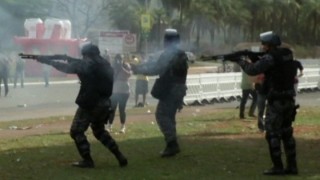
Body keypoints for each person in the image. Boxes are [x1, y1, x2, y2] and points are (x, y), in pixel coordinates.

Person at [35, 44, 128, 168]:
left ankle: (87, 160)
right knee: (99, 131)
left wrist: (49, 62)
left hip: (90, 102)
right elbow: (83, 66)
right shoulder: (104, 63)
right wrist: (68, 58)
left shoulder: (87, 63)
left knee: (76, 131)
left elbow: (67, 68)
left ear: (86, 54)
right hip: (105, 102)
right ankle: (119, 155)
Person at [236, 31, 298, 175]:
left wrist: (241, 61)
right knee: (287, 133)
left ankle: (278, 167)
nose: (262, 46)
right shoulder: (286, 54)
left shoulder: (270, 57)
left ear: (270, 45)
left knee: (272, 134)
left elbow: (252, 70)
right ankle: (292, 166)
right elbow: (274, 64)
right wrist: (255, 57)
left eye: (264, 44)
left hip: (276, 101)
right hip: (289, 99)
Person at [131, 29, 188, 157]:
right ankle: (172, 144)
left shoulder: (170, 54)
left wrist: (137, 69)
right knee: (169, 116)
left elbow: (156, 68)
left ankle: (172, 144)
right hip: (179, 88)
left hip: (170, 89)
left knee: (161, 115)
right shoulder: (181, 54)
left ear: (168, 41)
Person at [106, 54, 132, 133]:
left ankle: (122, 126)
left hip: (124, 91)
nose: (119, 61)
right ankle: (110, 125)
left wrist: (121, 68)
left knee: (122, 109)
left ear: (123, 59)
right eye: (117, 59)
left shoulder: (126, 65)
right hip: (115, 91)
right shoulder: (113, 67)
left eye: (120, 59)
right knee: (112, 109)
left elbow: (128, 74)